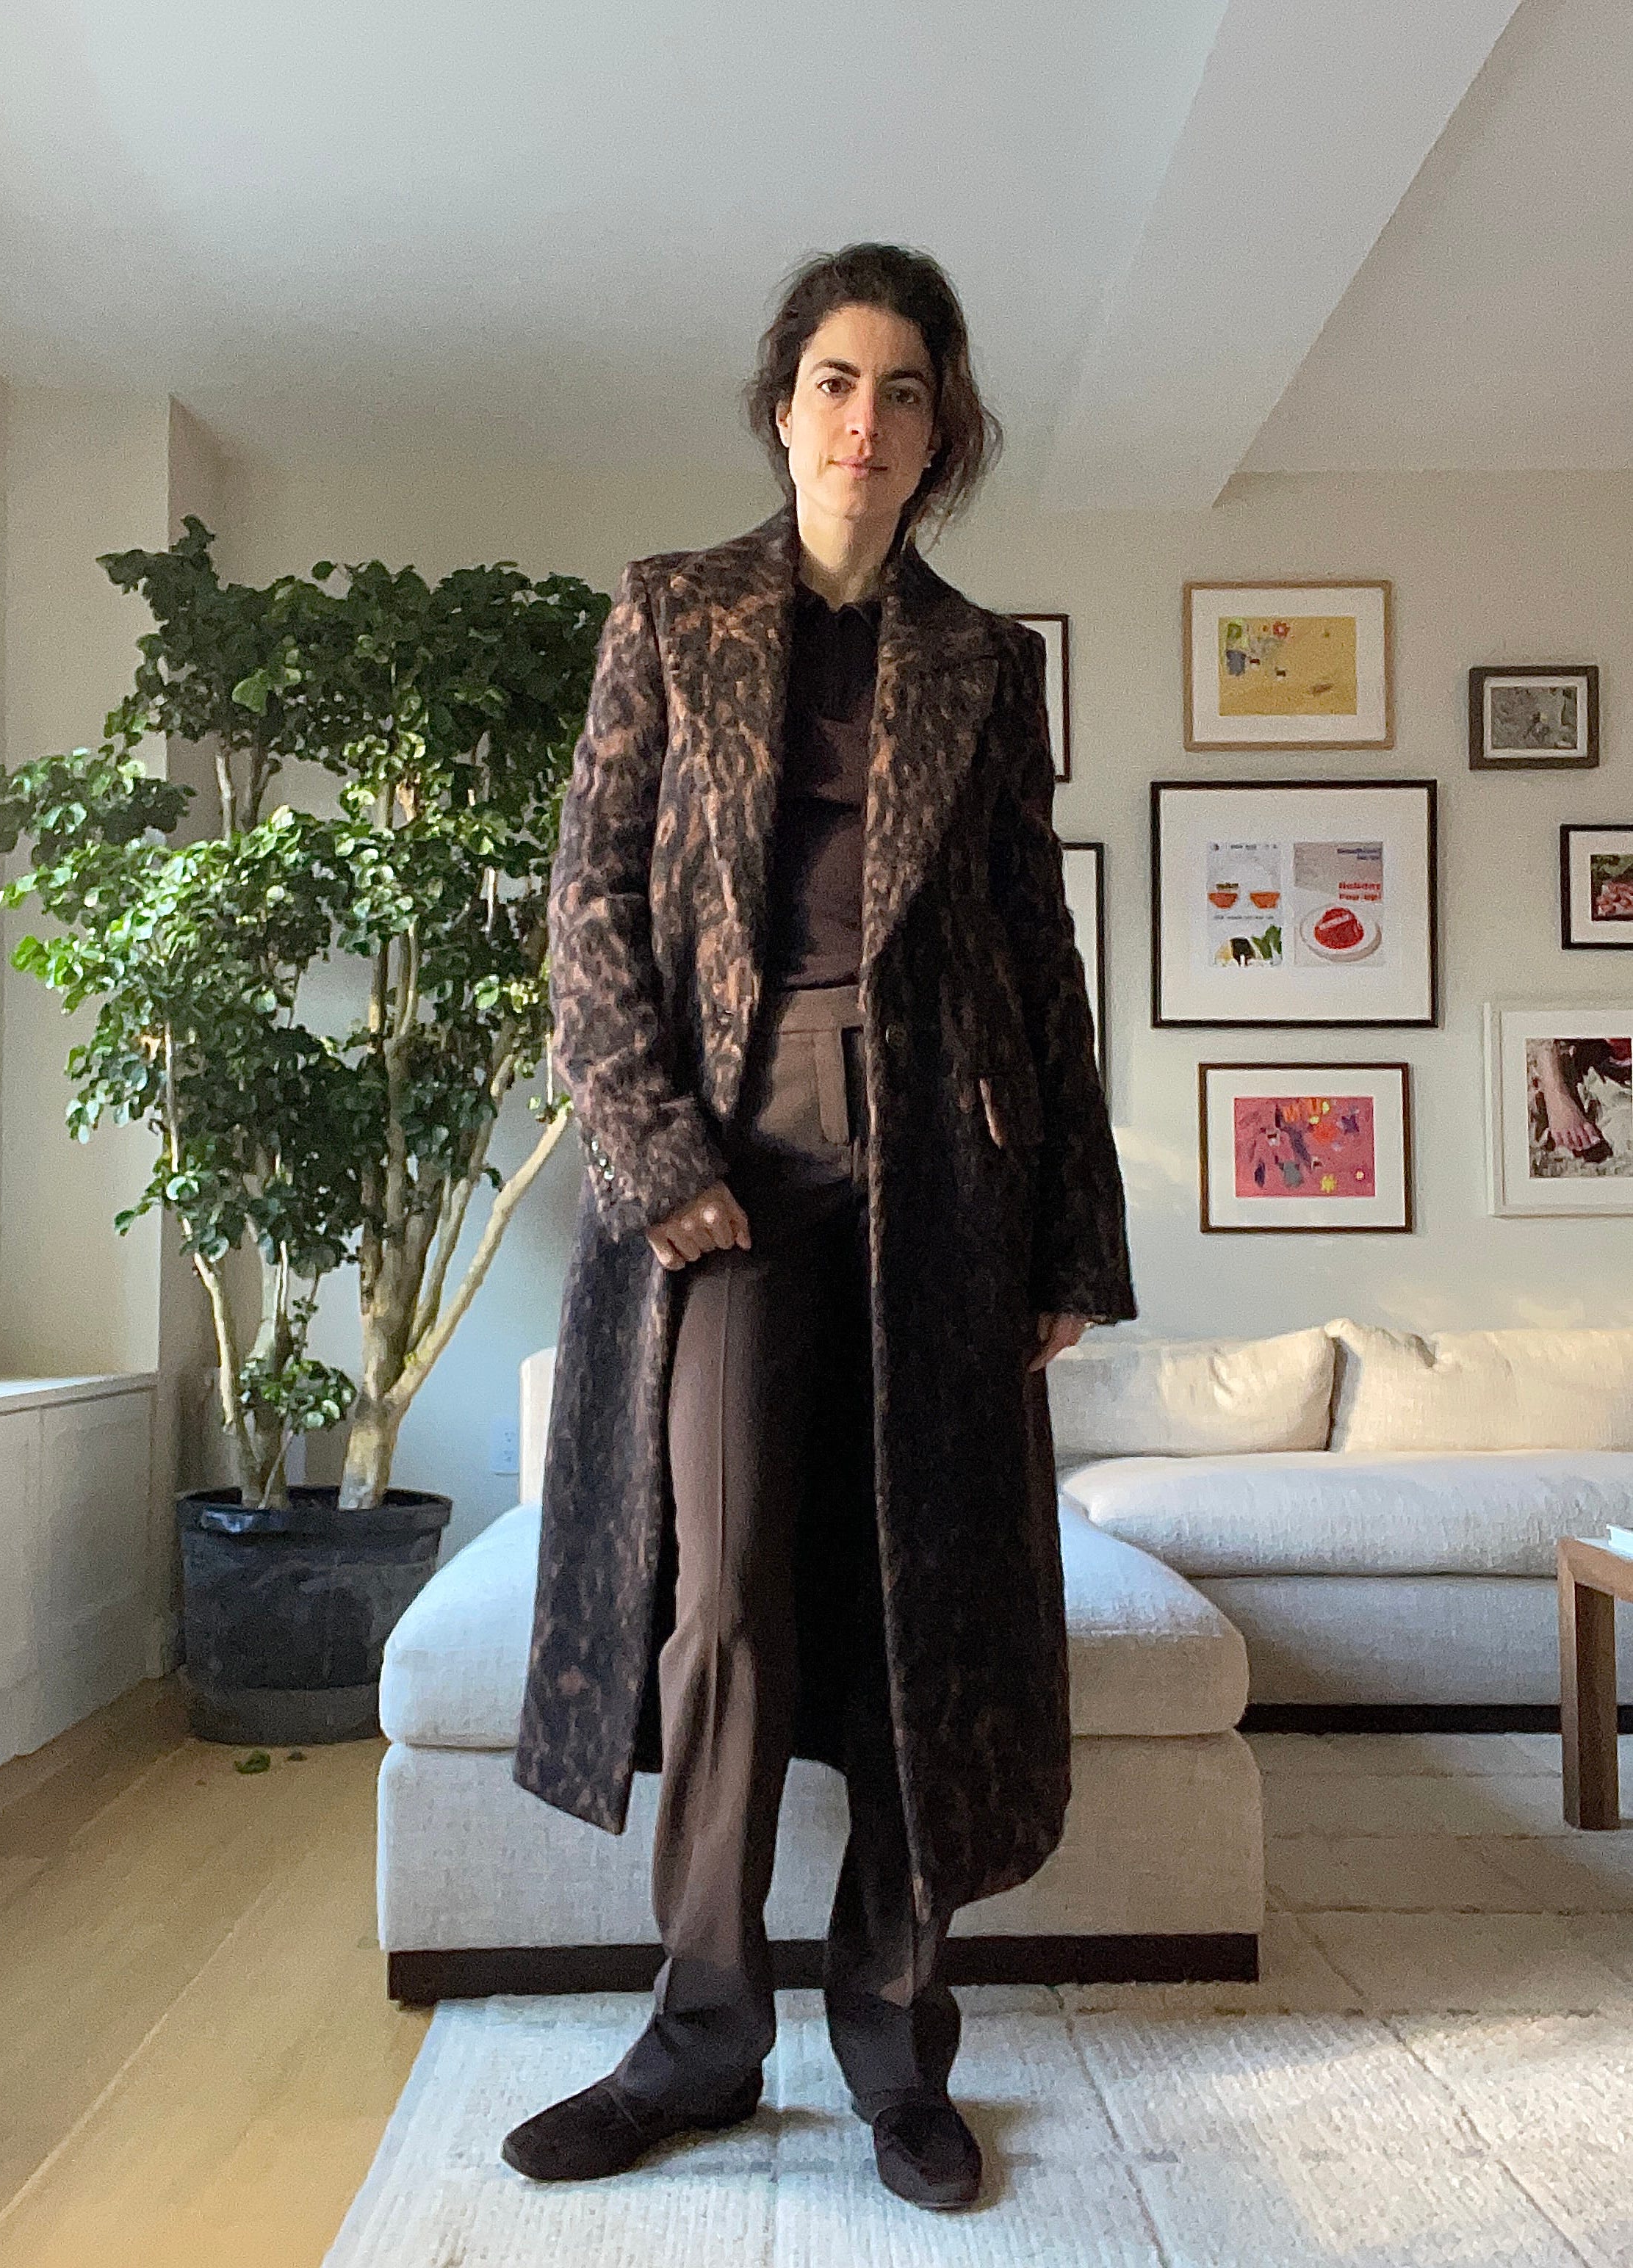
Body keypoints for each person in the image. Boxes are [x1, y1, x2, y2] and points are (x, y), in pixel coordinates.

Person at [502, 242, 1136, 2211]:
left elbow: (1035, 953)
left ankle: (897, 2048)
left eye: (907, 392)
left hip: (949, 1182)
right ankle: (699, 2036)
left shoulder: (984, 663)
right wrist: (650, 1150)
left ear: (943, 438)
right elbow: (590, 904)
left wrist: (1069, 1241)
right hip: (729, 1175)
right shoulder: (669, 613)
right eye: (837, 383)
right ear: (784, 409)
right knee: (722, 1603)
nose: (868, 421)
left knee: (924, 1612)